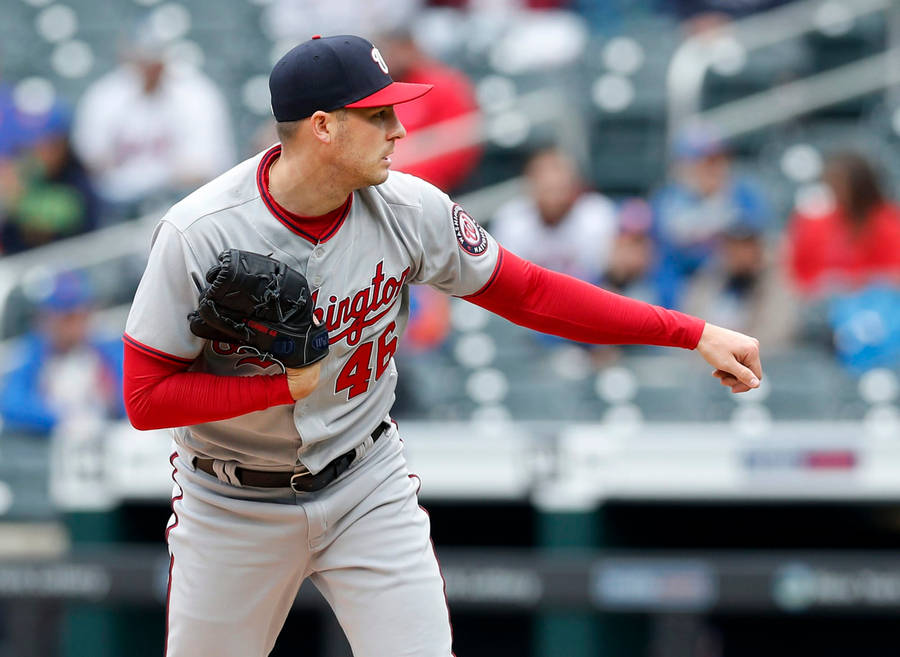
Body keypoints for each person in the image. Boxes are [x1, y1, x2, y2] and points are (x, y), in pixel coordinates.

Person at [122, 34, 762, 657]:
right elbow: (144, 399)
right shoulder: (199, 233)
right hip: (233, 501)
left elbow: (531, 292)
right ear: (323, 126)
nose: (400, 129)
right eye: (379, 115)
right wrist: (278, 388)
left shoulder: (409, 207)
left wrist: (691, 331)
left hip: (364, 482)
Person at [71, 25, 235, 218]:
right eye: (141, 58)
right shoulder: (106, 94)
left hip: (184, 202)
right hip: (118, 205)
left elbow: (205, 167)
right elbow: (92, 159)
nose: (148, 67)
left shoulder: (196, 93)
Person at [651, 123, 772, 309]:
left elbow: (754, 251)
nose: (711, 168)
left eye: (717, 159)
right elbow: (662, 259)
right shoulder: (667, 201)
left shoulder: (745, 196)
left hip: (733, 288)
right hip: (681, 287)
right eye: (703, 161)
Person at [0, 271, 124, 436]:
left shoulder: (107, 348)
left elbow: (131, 399)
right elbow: (12, 403)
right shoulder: (33, 353)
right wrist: (60, 418)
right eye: (66, 317)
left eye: (82, 314)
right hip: (49, 445)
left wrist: (111, 405)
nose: (76, 324)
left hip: (109, 439)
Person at [490, 145, 618, 283]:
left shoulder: (597, 214)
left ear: (574, 185)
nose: (554, 198)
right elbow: (507, 279)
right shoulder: (511, 218)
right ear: (531, 187)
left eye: (559, 188)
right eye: (548, 189)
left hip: (587, 297)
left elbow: (607, 275)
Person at [0, 100, 100, 254]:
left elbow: (65, 219)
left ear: (63, 143)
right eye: (34, 141)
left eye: (48, 144)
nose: (40, 151)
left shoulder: (79, 181)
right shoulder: (28, 175)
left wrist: (15, 202)